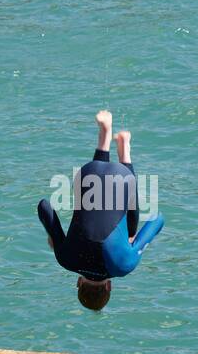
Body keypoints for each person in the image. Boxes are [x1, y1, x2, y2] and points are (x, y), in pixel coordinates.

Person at [37, 110, 164, 311]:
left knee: (128, 229)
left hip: (123, 180)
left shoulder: (124, 266)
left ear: (109, 286)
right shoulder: (65, 260)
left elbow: (158, 220)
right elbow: (44, 206)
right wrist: (52, 236)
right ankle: (104, 136)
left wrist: (136, 242)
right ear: (78, 283)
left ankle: (124, 151)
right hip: (88, 172)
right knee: (95, 197)